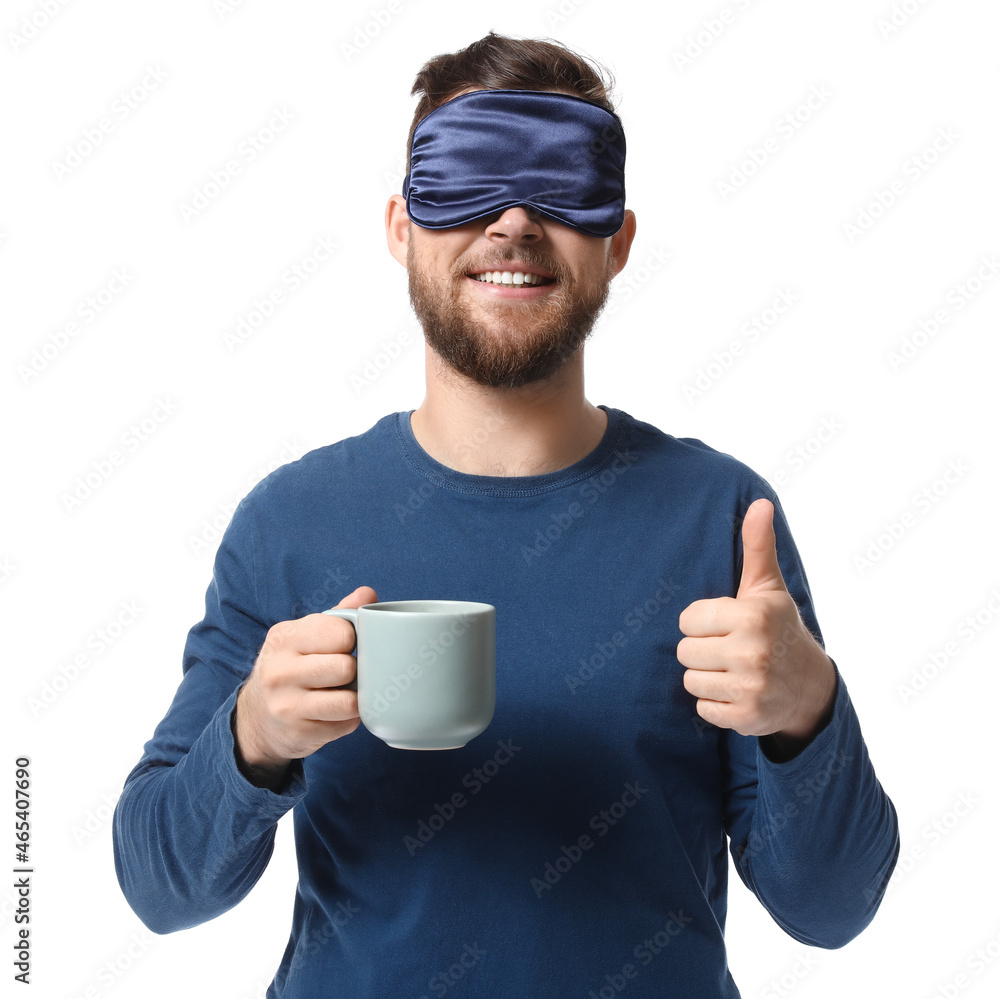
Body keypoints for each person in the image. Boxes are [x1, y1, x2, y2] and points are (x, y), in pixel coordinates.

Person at [113, 32, 899, 998]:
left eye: (559, 189)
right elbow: (157, 886)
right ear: (401, 227)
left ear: (617, 240)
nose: (515, 220)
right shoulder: (289, 522)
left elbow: (834, 909)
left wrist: (804, 708)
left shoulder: (726, 521)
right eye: (467, 183)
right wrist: (252, 739)